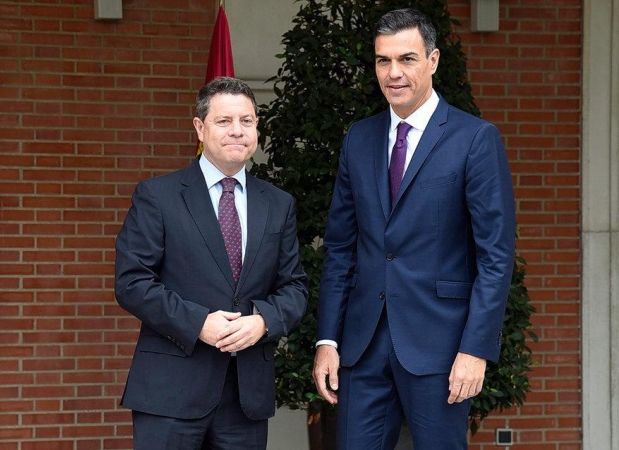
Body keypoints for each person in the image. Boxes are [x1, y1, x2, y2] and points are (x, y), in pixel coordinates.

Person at [312, 8, 516, 449]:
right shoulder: (358, 138)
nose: (394, 73)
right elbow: (341, 248)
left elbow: (495, 257)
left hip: (441, 348)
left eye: (407, 59)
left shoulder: (474, 139)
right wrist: (327, 339)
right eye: (383, 61)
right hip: (362, 348)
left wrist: (475, 349)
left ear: (434, 60)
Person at [115, 76, 308, 450]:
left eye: (247, 121)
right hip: (170, 392)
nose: (237, 131)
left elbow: (295, 288)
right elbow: (132, 282)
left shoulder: (278, 204)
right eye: (224, 121)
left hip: (245, 398)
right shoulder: (158, 196)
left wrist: (264, 320)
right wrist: (198, 322)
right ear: (200, 128)